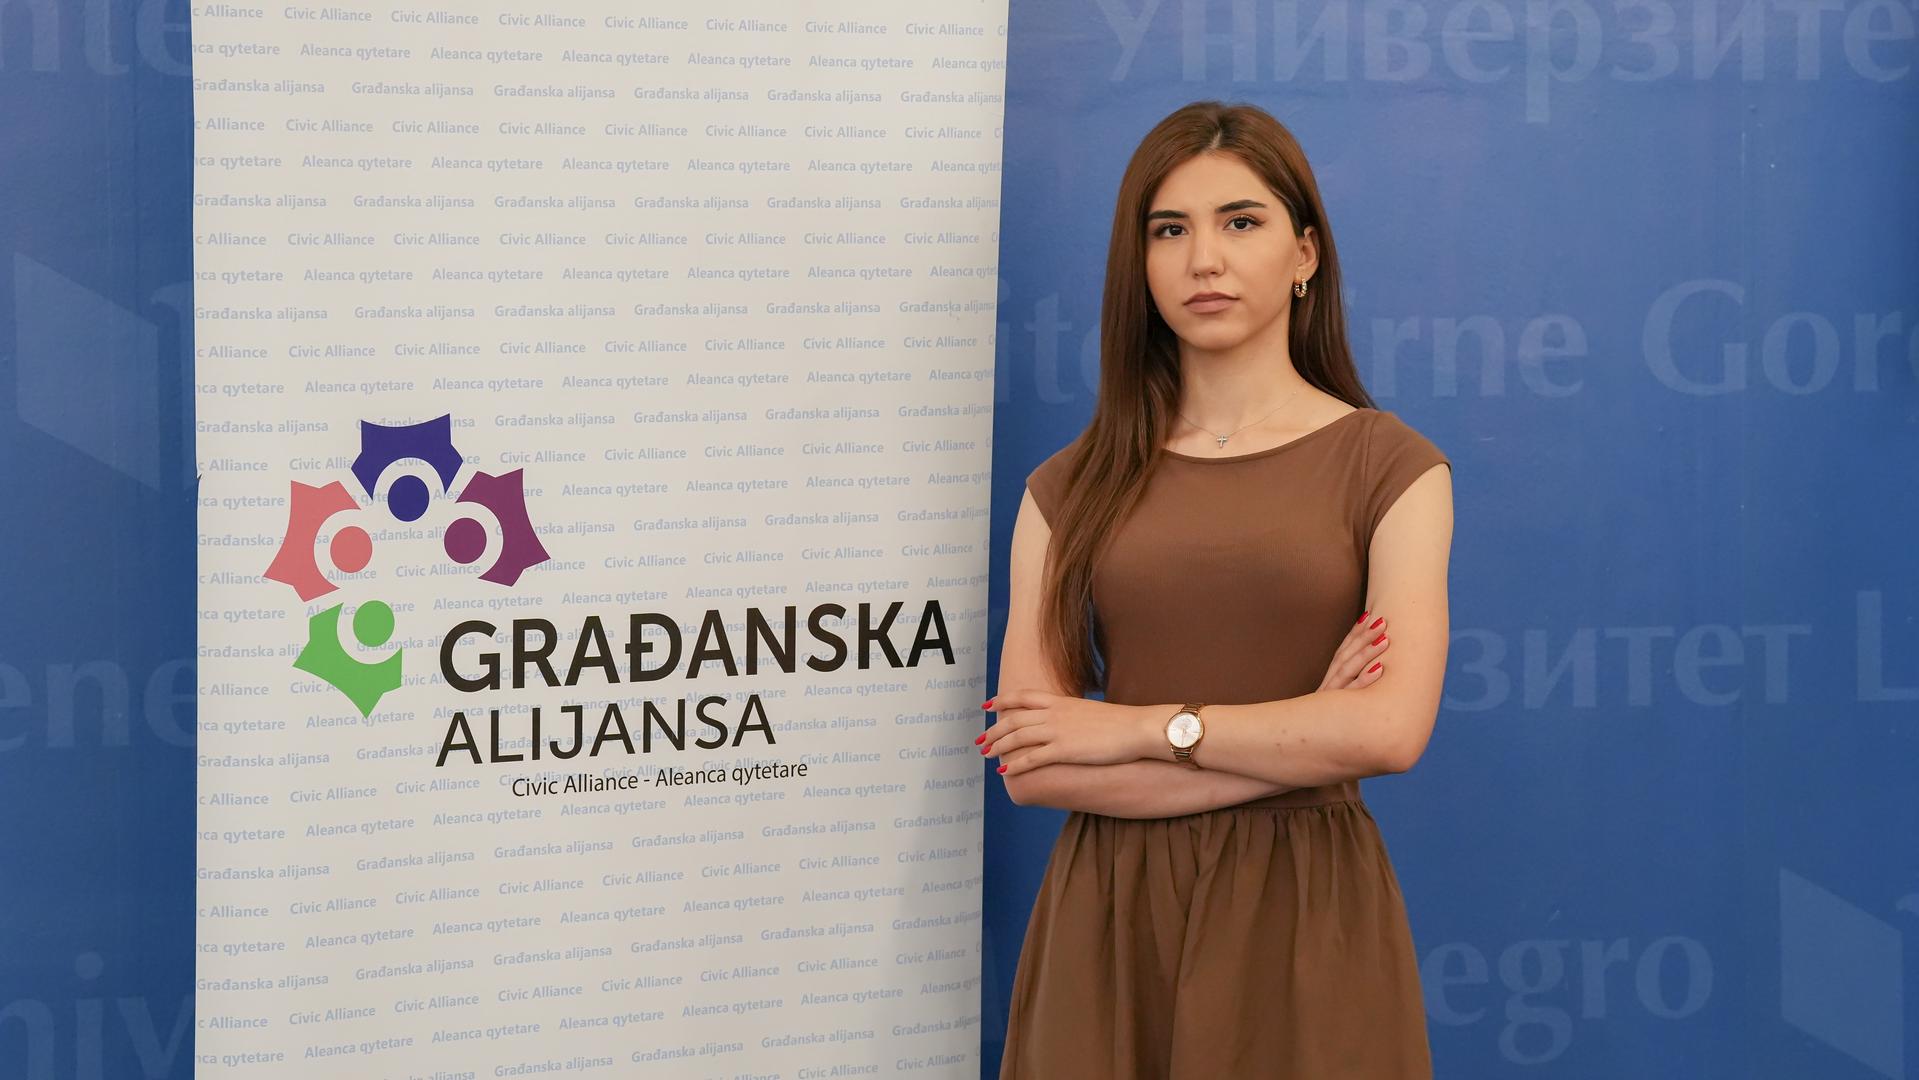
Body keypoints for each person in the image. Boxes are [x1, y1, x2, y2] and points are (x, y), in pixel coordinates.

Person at [981, 100, 1452, 1077]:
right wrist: (1304, 738)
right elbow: (1033, 764)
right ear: (1138, 263)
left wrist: (1137, 728)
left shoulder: (1393, 468)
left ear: (1304, 254)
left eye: (1240, 221)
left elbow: (1388, 732)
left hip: (1307, 916)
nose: (1203, 259)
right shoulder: (1064, 487)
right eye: (1169, 230)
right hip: (1107, 923)